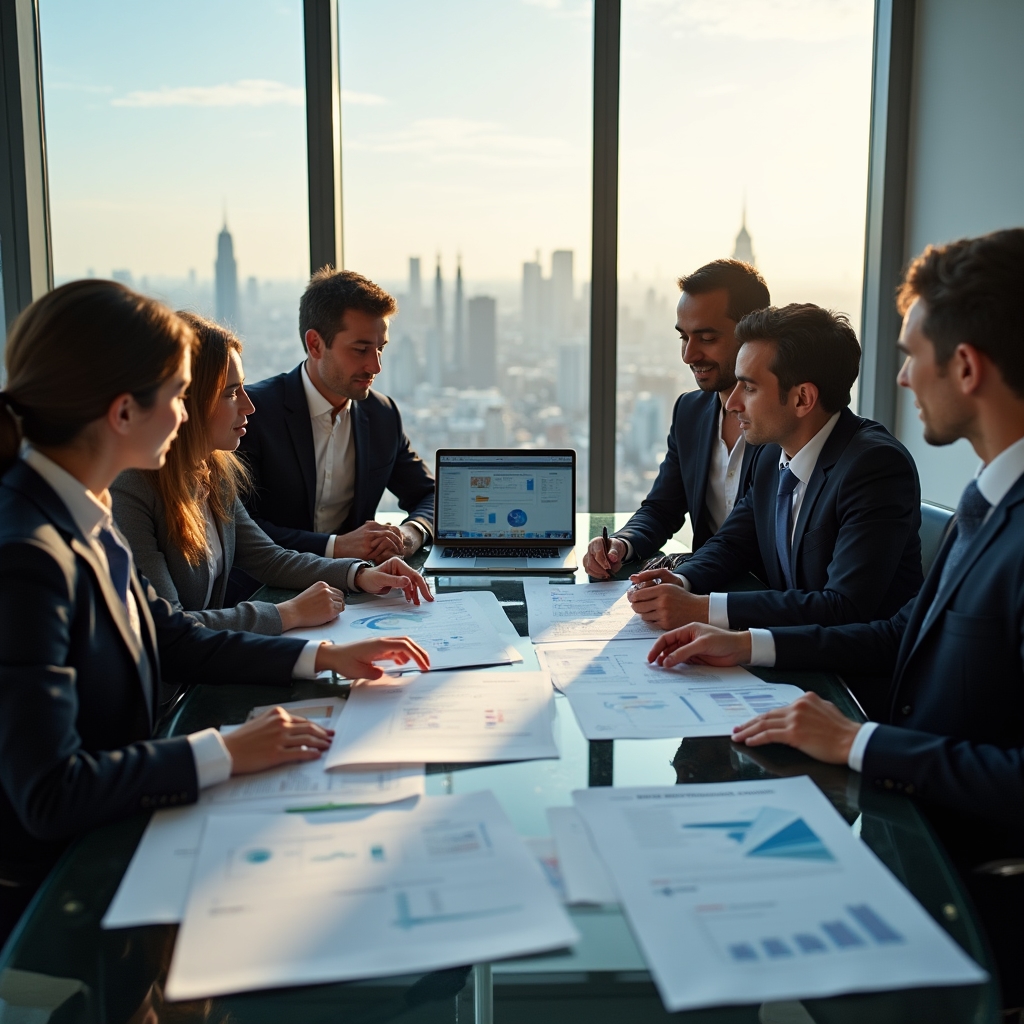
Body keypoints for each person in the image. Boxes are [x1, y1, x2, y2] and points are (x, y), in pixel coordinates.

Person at [647, 229, 1024, 1007]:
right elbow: (900, 634)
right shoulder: (987, 502)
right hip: (899, 817)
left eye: (912, 353)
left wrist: (861, 740)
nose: (901, 375)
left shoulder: (947, 492)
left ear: (965, 366)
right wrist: (737, 638)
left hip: (971, 885)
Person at [0, 281, 429, 944]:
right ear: (122, 413)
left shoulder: (80, 512)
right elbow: (51, 791)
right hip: (60, 900)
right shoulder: (28, 555)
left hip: (130, 825)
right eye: (177, 394)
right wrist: (221, 751)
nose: (185, 413)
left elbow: (165, 635)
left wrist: (323, 656)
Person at [111, 313, 432, 635]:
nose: (249, 406)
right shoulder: (130, 488)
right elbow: (166, 628)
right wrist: (286, 613)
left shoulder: (215, 470)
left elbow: (268, 558)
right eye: (231, 393)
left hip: (212, 658)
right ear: (185, 402)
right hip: (171, 681)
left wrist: (360, 575)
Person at [627, 303, 923, 630]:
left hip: (856, 674)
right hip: (791, 651)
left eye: (749, 388)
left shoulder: (874, 467)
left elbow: (843, 607)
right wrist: (680, 580)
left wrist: (703, 610)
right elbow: (733, 542)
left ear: (802, 399)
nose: (733, 402)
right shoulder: (772, 454)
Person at [583, 259, 770, 579]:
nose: (688, 355)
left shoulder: (780, 422)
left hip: (760, 602)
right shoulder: (690, 412)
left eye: (707, 338)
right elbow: (662, 508)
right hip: (696, 590)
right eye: (684, 337)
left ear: (752, 334)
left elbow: (747, 538)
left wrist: (683, 569)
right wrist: (621, 544)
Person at [237, 268, 434, 570]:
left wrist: (410, 534)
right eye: (360, 349)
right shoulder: (253, 413)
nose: (376, 366)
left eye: (380, 348)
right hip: (266, 590)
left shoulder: (382, 415)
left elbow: (430, 495)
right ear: (315, 344)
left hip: (357, 588)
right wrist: (335, 547)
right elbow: (239, 527)